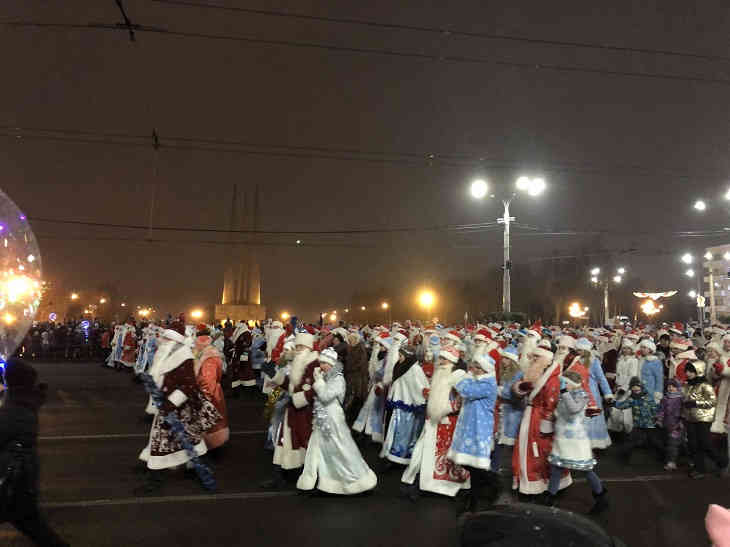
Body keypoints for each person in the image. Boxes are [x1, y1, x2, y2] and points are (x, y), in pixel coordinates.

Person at [137, 323, 221, 493]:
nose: (161, 340)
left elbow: (188, 385)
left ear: (173, 341)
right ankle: (199, 470)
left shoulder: (184, 358)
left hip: (179, 409)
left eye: (165, 338)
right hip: (170, 406)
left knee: (164, 442)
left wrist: (170, 404)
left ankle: (154, 480)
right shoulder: (167, 355)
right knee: (190, 441)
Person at [0, 359, 68, 546]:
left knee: (32, 524)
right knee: (33, 525)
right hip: (21, 476)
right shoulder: (24, 400)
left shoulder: (14, 410)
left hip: (13, 478)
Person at [296, 348, 377, 494]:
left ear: (332, 364)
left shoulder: (338, 379)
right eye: (321, 362)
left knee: (340, 450)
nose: (321, 365)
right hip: (322, 418)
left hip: (332, 419)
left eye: (324, 363)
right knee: (315, 449)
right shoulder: (327, 377)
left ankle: (356, 480)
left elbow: (326, 396)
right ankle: (313, 482)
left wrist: (318, 381)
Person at [401, 346, 470, 499]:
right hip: (432, 420)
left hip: (447, 421)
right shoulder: (439, 373)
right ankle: (416, 483)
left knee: (441, 457)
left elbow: (461, 400)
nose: (441, 361)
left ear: (451, 361)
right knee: (423, 451)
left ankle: (439, 486)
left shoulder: (459, 376)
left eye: (444, 359)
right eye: (441, 358)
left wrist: (445, 408)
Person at [511, 346, 572, 496]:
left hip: (539, 419)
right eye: (533, 357)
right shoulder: (532, 373)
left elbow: (551, 403)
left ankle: (541, 484)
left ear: (545, 360)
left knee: (539, 451)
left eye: (536, 358)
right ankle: (529, 481)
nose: (533, 360)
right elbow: (517, 389)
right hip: (529, 415)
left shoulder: (552, 379)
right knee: (527, 450)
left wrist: (546, 422)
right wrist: (520, 388)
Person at [544, 370, 607, 514]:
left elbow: (574, 409)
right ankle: (549, 499)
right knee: (556, 469)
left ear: (571, 383)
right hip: (562, 439)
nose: (562, 384)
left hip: (576, 441)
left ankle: (601, 497)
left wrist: (564, 392)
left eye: (564, 382)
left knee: (586, 471)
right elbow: (560, 413)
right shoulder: (564, 396)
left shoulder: (581, 395)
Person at [262, 331, 320, 488]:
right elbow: (291, 385)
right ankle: (280, 477)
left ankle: (307, 478)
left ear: (308, 347)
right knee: (285, 441)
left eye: (302, 346)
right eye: (297, 346)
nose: (298, 349)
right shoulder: (299, 362)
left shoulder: (314, 364)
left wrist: (298, 399)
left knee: (302, 443)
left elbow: (315, 389)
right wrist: (275, 375)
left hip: (305, 412)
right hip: (293, 410)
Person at [448, 352, 500, 515]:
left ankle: (478, 499)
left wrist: (458, 376)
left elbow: (467, 391)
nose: (474, 369)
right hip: (469, 428)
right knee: (470, 465)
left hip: (479, 429)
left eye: (478, 367)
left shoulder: (488, 383)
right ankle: (477, 496)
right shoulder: (477, 380)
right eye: (474, 366)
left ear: (486, 370)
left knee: (477, 468)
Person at [379, 345, 428, 466]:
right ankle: (393, 455)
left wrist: (420, 401)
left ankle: (399, 457)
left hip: (409, 406)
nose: (399, 358)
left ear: (407, 356)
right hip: (399, 405)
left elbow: (420, 386)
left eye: (401, 356)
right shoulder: (400, 366)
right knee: (396, 431)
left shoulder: (414, 369)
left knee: (404, 433)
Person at [682, 361, 728, 479]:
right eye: (687, 371)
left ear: (698, 371)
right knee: (693, 444)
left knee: (705, 443)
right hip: (690, 418)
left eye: (691, 371)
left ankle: (722, 462)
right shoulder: (688, 385)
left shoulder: (705, 385)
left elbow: (712, 402)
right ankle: (699, 468)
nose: (688, 373)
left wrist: (695, 403)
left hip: (704, 418)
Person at [194, 326, 229, 452]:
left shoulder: (208, 358)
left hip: (210, 394)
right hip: (212, 392)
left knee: (212, 422)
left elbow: (208, 381)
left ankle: (213, 446)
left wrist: (205, 396)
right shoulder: (208, 354)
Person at [613, 377, 662, 464]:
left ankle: (663, 455)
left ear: (641, 387)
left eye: (637, 386)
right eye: (633, 386)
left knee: (655, 441)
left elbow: (655, 408)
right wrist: (614, 403)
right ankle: (624, 458)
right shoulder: (631, 399)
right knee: (630, 441)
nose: (635, 388)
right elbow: (622, 405)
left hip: (649, 424)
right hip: (638, 424)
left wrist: (657, 418)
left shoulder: (648, 397)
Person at [574, 338, 613, 449]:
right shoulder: (575, 361)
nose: (578, 352)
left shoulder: (594, 361)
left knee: (591, 419)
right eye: (577, 350)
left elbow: (601, 378)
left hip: (591, 393)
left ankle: (592, 444)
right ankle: (579, 443)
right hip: (577, 392)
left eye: (580, 350)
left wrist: (608, 393)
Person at [608, 341, 639, 434]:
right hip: (618, 386)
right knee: (615, 408)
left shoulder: (634, 361)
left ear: (631, 350)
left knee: (626, 410)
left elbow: (632, 376)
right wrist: (616, 384)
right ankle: (615, 428)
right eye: (624, 348)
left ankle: (627, 429)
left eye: (628, 348)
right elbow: (618, 374)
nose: (625, 350)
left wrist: (624, 388)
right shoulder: (620, 359)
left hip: (627, 388)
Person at [656, 378, 683, 471]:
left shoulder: (681, 399)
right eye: (669, 386)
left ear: (678, 388)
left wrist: (681, 423)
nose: (671, 388)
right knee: (667, 442)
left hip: (677, 426)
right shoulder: (665, 398)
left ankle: (672, 462)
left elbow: (683, 412)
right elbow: (661, 410)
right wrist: (659, 419)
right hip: (666, 424)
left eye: (673, 386)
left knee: (673, 443)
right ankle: (669, 459)